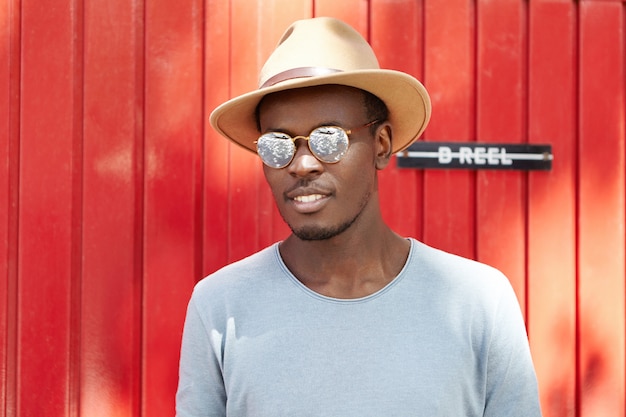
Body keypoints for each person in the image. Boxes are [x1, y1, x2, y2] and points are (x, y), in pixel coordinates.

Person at [176, 17, 542, 417]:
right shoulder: (220, 305)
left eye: (328, 138)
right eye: (277, 144)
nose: (301, 164)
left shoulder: (480, 301)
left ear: (381, 145)